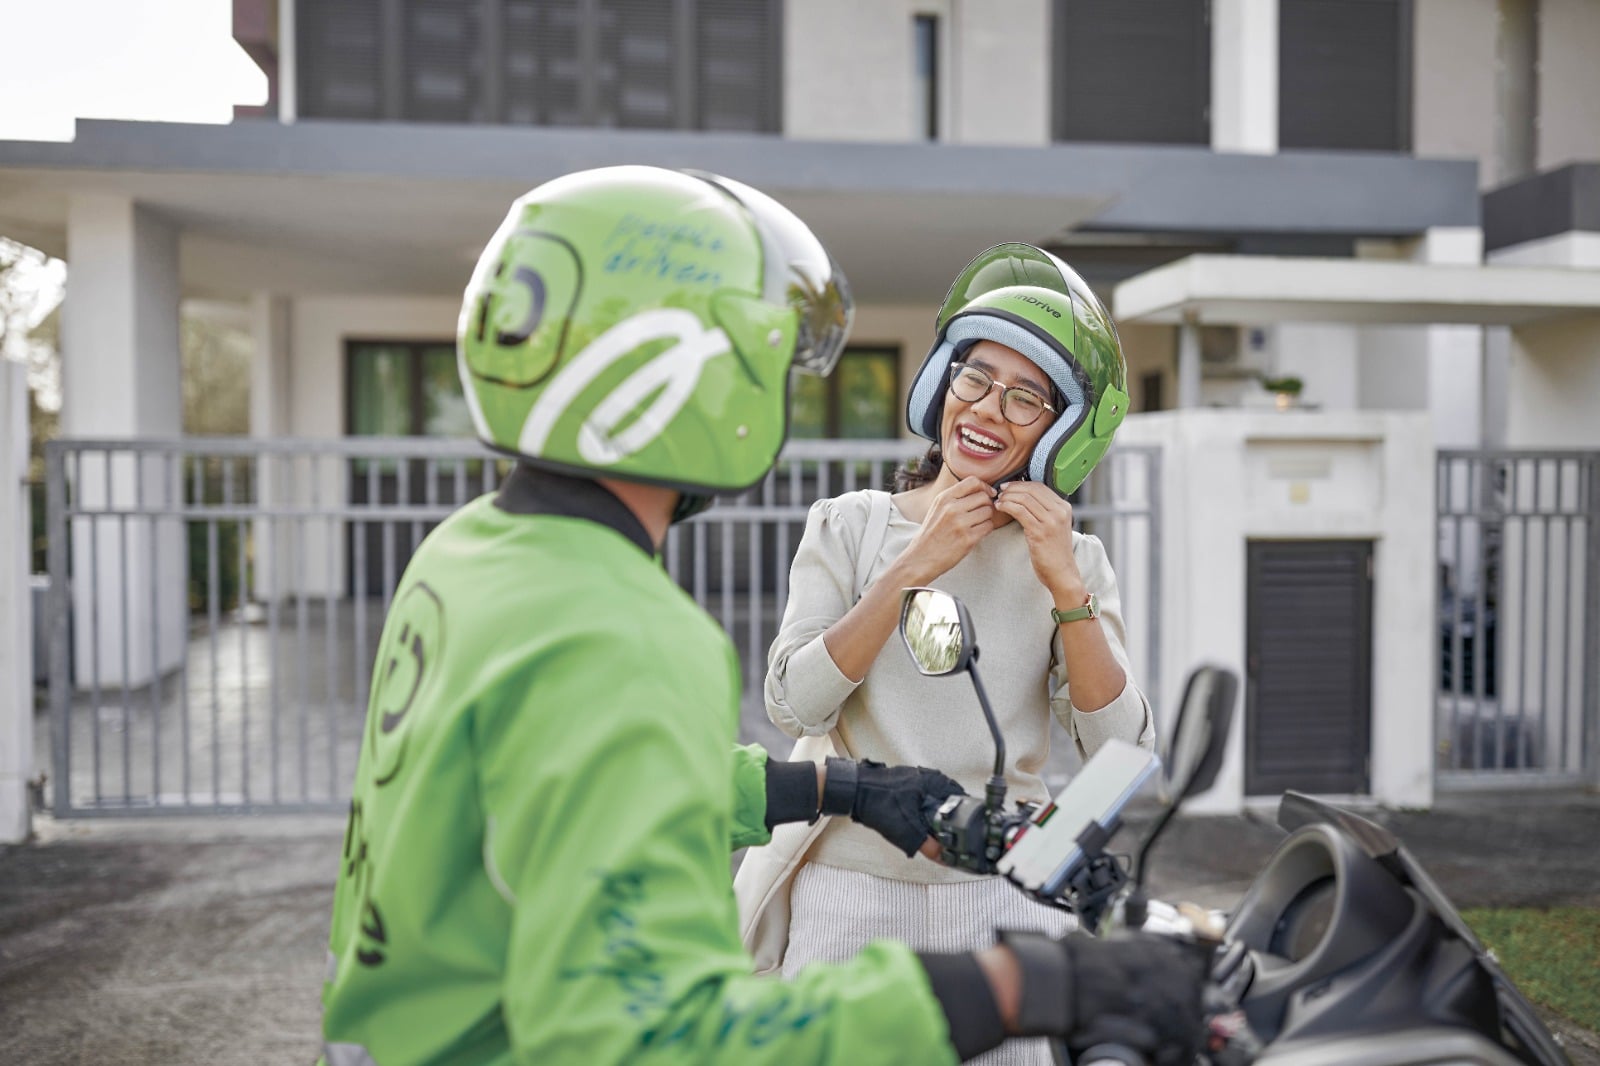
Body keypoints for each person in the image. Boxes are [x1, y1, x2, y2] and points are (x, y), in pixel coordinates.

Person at [320, 169, 1201, 1066]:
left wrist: (830, 788)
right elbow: (673, 1034)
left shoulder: (464, 552)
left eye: (1027, 395)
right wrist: (1022, 987)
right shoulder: (631, 630)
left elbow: (598, 788)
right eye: (769, 365)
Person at [762, 243, 1155, 1064]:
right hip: (849, 889)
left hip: (1006, 893)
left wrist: (1064, 586)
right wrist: (912, 566)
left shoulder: (1071, 558)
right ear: (942, 379)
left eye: (1026, 399)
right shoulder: (852, 524)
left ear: (1063, 433)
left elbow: (1120, 752)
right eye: (975, 377)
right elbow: (795, 706)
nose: (987, 409)